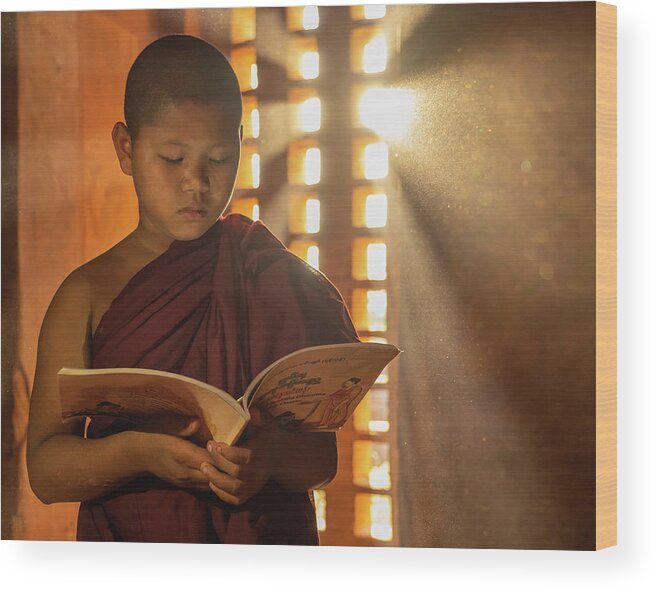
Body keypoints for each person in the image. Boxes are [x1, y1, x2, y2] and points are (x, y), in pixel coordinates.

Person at [26, 35, 360, 544]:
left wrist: (267, 458)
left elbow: (321, 460)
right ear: (126, 148)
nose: (197, 184)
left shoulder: (270, 275)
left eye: (219, 159)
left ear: (241, 146)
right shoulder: (87, 293)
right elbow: (46, 471)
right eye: (173, 159)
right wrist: (140, 454)